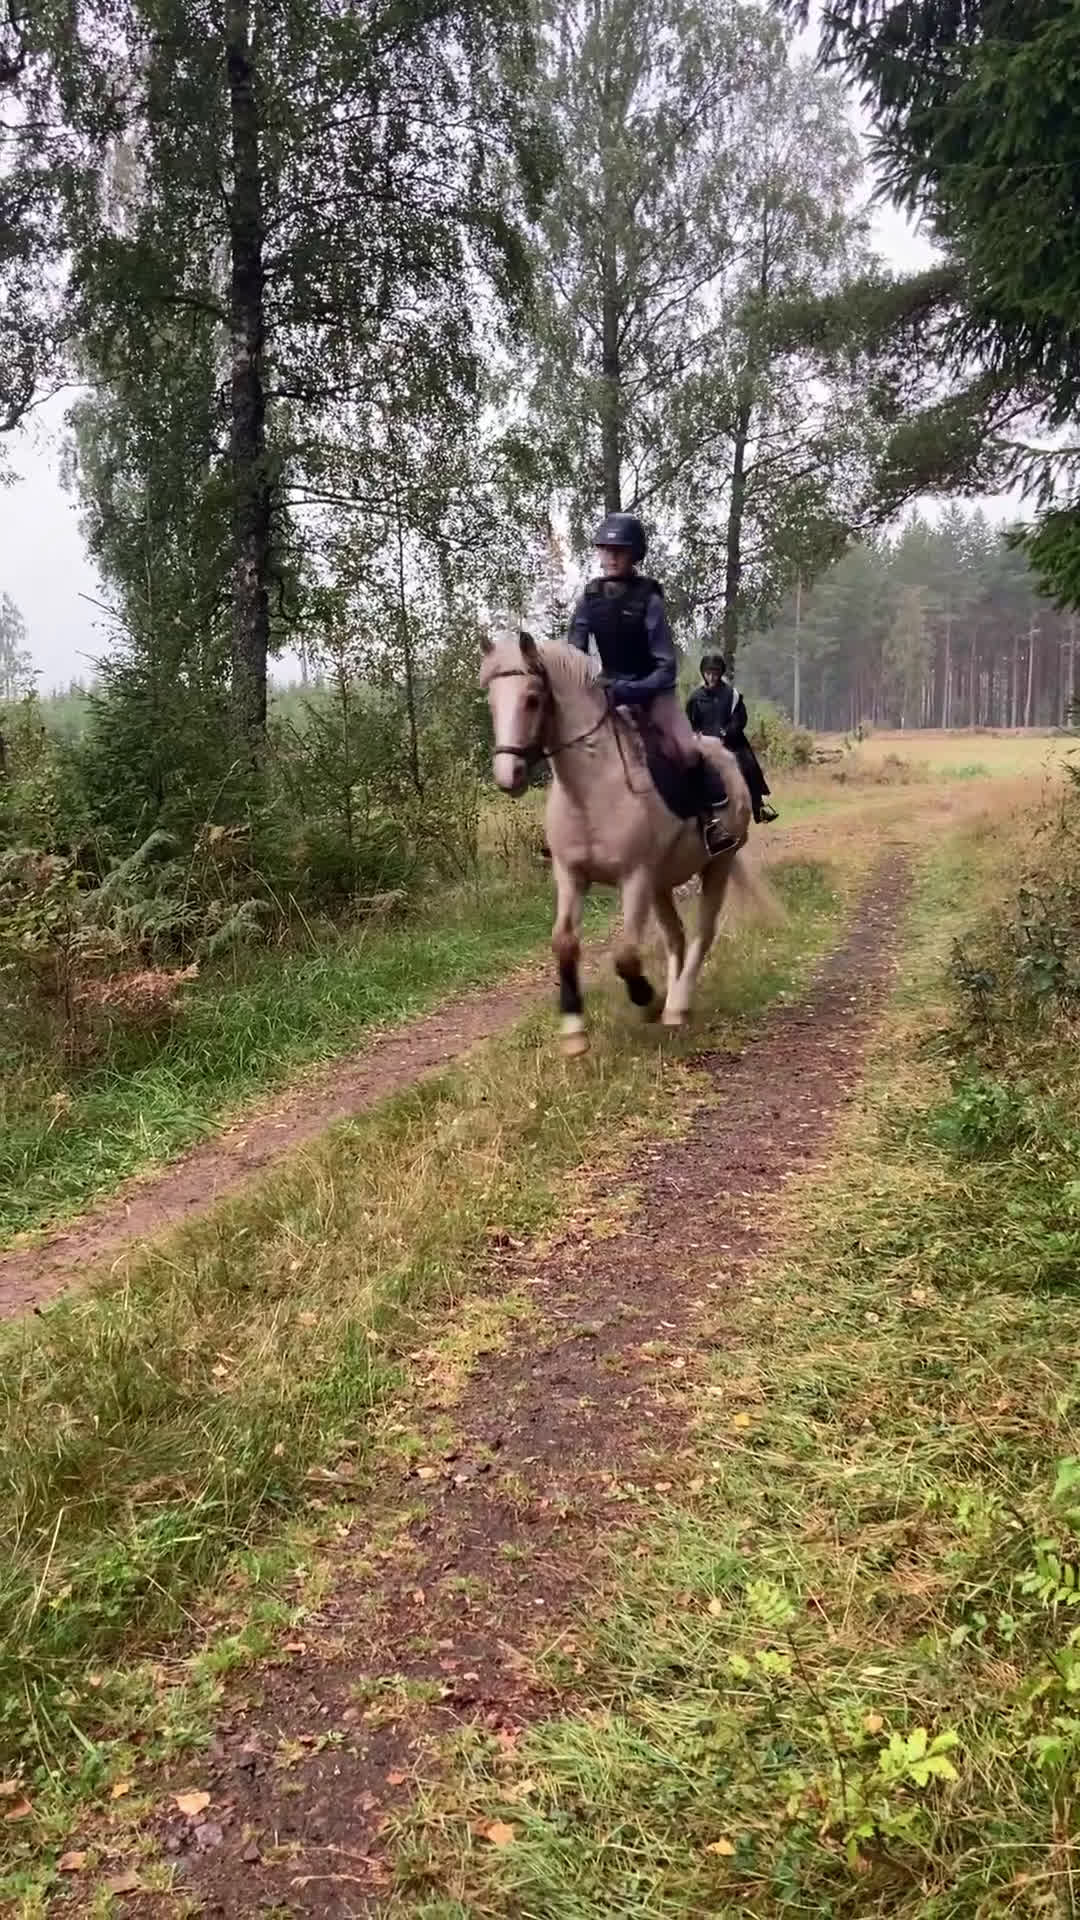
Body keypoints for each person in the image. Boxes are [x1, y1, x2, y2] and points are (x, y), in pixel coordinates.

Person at [568, 514, 736, 854]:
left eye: (620, 550)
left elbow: (666, 668)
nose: (611, 556)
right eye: (605, 549)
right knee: (572, 746)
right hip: (607, 693)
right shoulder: (589, 599)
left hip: (654, 694)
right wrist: (585, 688)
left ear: (635, 555)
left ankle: (710, 822)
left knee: (687, 750)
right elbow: (575, 656)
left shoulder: (650, 599)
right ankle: (571, 830)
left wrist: (628, 691)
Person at [687, 650, 777, 824]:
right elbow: (691, 723)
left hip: (731, 741)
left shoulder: (731, 695)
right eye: (708, 673)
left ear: (720, 673)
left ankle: (759, 806)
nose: (712, 677)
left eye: (715, 673)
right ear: (703, 673)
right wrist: (698, 737)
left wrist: (725, 734)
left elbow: (740, 719)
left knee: (748, 763)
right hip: (704, 744)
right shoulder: (695, 698)